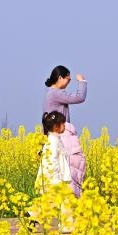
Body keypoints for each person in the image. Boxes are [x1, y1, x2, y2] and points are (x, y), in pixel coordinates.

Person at [43, 65, 88, 197]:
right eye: (68, 79)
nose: (69, 83)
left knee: (60, 174)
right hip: (63, 136)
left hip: (55, 134)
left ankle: (39, 212)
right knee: (69, 171)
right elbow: (79, 97)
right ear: (60, 77)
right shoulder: (55, 93)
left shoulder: (49, 93)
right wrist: (82, 81)